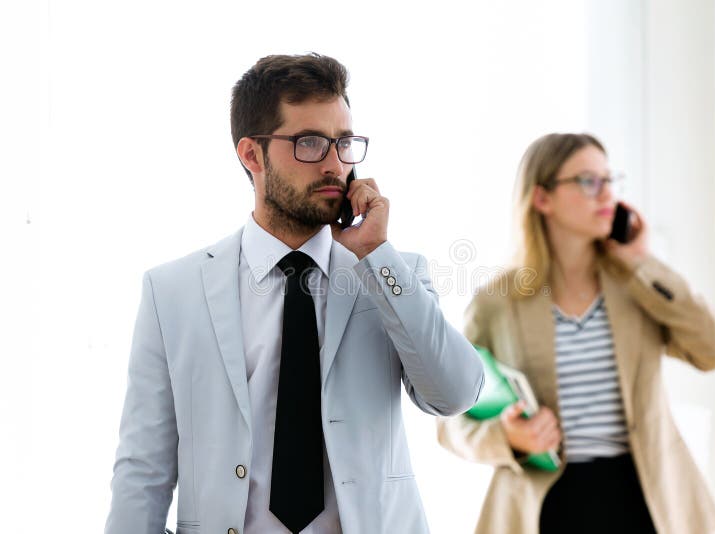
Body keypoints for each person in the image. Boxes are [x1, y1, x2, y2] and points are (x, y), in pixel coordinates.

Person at [104, 53, 484, 534]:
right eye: (309, 142)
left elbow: (455, 394)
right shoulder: (172, 292)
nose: (334, 164)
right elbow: (144, 471)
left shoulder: (392, 273)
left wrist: (377, 256)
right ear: (250, 154)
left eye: (344, 143)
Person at [437, 133, 715, 534]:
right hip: (545, 509)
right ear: (542, 198)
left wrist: (642, 263)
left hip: (645, 500)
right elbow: (451, 421)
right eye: (589, 181)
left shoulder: (637, 285)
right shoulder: (497, 302)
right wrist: (508, 435)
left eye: (611, 181)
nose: (607, 194)